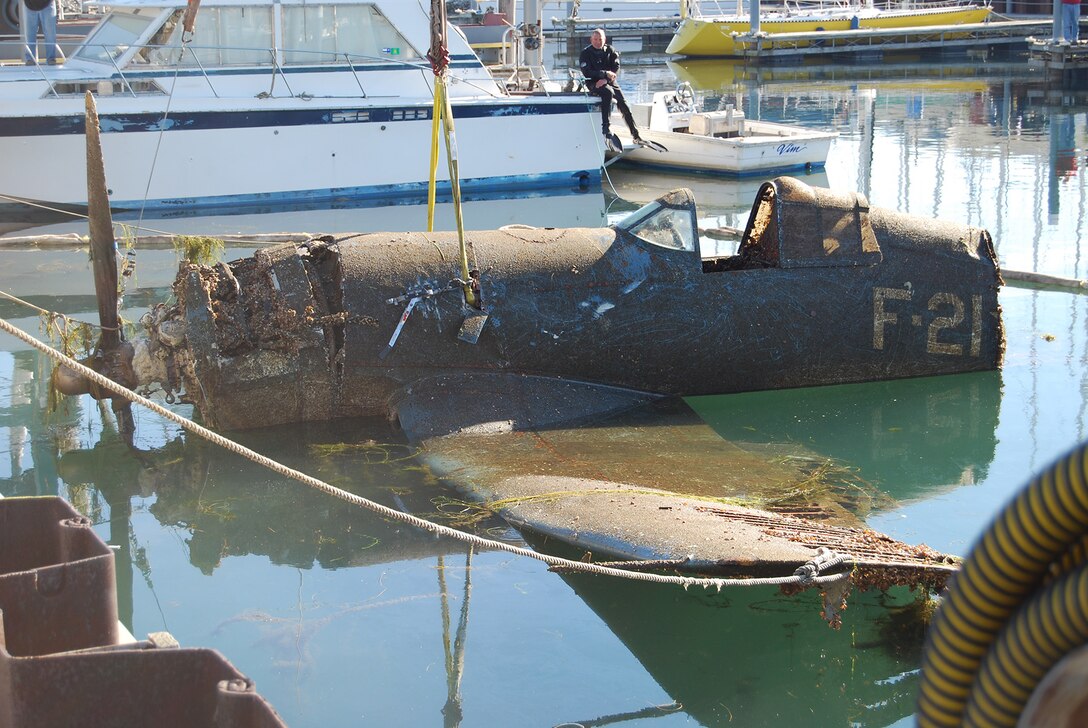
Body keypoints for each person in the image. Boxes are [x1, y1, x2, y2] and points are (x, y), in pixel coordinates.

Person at [579, 28, 642, 149]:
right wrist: (603, 74)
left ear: (604, 39)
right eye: (595, 39)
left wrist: (607, 78)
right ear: (591, 40)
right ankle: (606, 127)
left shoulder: (610, 50)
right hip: (594, 82)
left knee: (623, 104)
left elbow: (616, 67)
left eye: (600, 39)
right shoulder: (586, 53)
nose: (598, 42)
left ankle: (635, 134)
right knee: (608, 92)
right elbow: (587, 72)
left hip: (609, 81)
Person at [22, 0, 58, 65]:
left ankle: (51, 59)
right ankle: (30, 59)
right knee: (29, 34)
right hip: (29, 5)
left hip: (48, 4)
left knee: (50, 34)